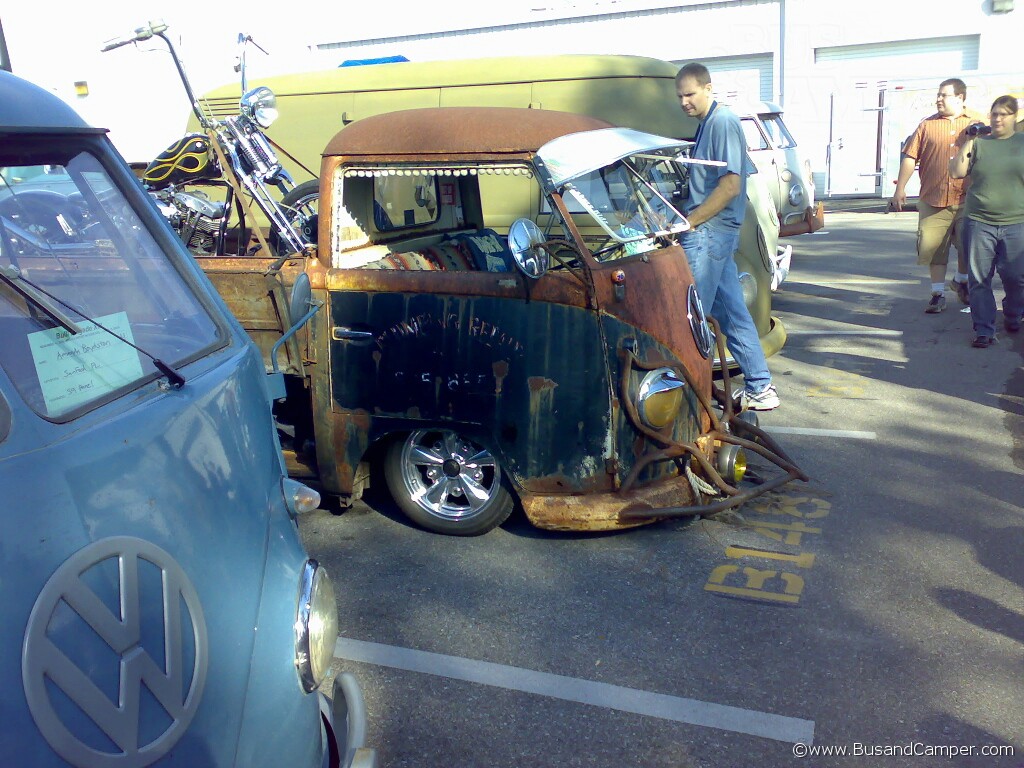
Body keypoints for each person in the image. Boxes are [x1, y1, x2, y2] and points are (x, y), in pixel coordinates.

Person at [675, 62, 779, 410]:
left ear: (708, 88)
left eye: (690, 94)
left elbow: (732, 185)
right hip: (714, 232)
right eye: (680, 97)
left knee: (691, 316)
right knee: (733, 314)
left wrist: (691, 220)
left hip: (709, 233)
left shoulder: (722, 122)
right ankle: (760, 388)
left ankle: (686, 396)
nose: (685, 102)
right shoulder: (708, 125)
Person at [892, 78, 981, 314]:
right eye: (938, 95)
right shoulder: (926, 126)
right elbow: (910, 157)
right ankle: (937, 294)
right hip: (933, 199)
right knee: (934, 249)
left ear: (960, 97)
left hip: (967, 199)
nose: (938, 99)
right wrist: (900, 188)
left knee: (968, 244)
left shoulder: (976, 124)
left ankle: (961, 280)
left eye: (944, 95)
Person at [949, 95, 1024, 348]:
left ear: (1014, 117)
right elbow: (957, 172)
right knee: (979, 279)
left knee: (1015, 278)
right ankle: (984, 329)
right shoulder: (980, 144)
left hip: (1017, 223)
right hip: (979, 221)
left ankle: (1013, 314)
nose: (998, 118)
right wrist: (968, 140)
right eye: (994, 114)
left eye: (1004, 114)